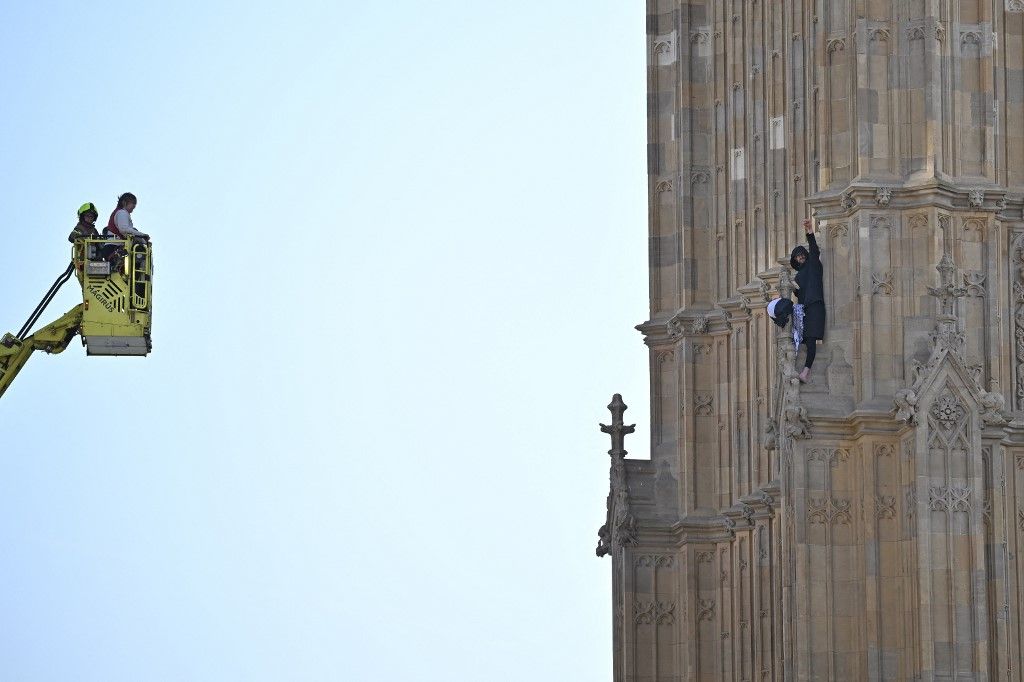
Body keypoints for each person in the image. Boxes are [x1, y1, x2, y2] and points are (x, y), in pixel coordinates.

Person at [790, 218, 825, 383]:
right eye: (797, 256)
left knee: (811, 339)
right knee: (802, 339)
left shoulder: (813, 264)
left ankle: (806, 371)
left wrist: (809, 230)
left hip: (816, 306)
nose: (800, 257)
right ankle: (798, 369)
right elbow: (799, 294)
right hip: (804, 309)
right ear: (795, 260)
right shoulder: (798, 275)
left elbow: (813, 248)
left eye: (801, 254)